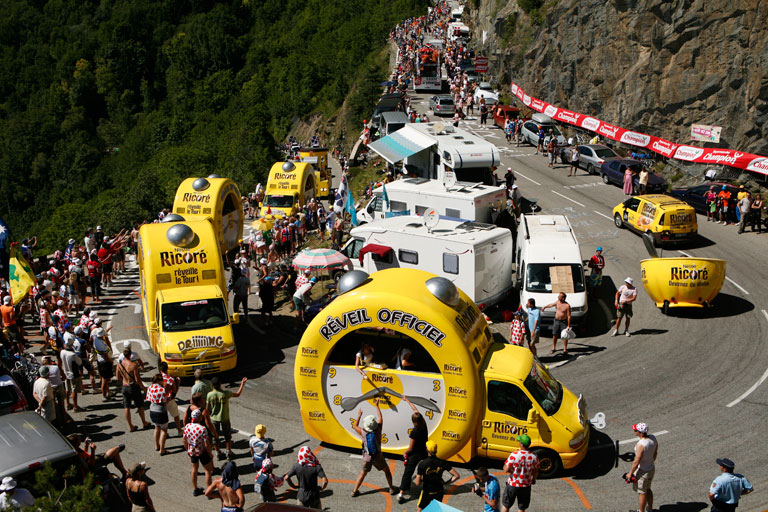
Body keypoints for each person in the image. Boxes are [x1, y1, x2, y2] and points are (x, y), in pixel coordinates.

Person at [351, 399, 397, 496]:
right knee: (387, 471)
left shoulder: (363, 432)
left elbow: (355, 426)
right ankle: (391, 488)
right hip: (377, 455)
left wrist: (359, 415)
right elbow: (380, 417)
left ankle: (355, 491)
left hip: (367, 457)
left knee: (363, 473)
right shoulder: (378, 429)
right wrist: (377, 406)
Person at [396, 397, 428, 503]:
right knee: (425, 470)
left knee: (408, 473)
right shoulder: (424, 425)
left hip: (415, 454)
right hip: (424, 452)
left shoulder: (414, 432)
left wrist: (405, 453)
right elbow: (416, 411)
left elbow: (411, 448)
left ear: (414, 422)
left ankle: (401, 493)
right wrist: (408, 400)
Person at [207, 376, 247, 460]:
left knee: (215, 436)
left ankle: (218, 453)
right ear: (220, 384)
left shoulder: (209, 395)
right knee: (227, 435)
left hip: (214, 418)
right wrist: (242, 384)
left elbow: (207, 408)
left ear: (212, 385)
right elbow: (237, 394)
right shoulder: (226, 393)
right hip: (225, 417)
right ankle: (228, 452)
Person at [415, 440, 459, 511]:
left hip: (427, 491)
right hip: (439, 491)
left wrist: (423, 478)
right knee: (436, 509)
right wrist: (446, 483)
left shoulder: (422, 464)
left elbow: (417, 483)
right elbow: (456, 475)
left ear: (427, 450)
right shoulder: (442, 462)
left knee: (419, 508)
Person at [501, 435, 539, 512]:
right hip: (526, 485)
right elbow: (536, 470)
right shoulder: (534, 457)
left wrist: (506, 467)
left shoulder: (514, 455)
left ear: (521, 444)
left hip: (513, 484)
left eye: (519, 441)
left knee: (506, 505)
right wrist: (533, 479)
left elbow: (506, 469)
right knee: (522, 507)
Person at [116, 344, 150, 431]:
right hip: (133, 386)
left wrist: (124, 379)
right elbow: (137, 379)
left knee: (127, 406)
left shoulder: (119, 365)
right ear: (130, 355)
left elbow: (118, 378)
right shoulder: (133, 365)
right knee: (140, 405)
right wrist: (144, 388)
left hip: (124, 386)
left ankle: (130, 426)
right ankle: (144, 422)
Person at [626, 422, 658, 512]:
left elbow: (636, 461)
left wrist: (630, 473)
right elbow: (655, 452)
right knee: (648, 488)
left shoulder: (641, 445)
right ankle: (650, 508)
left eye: (635, 430)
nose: (634, 431)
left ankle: (641, 511)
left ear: (640, 432)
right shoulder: (653, 438)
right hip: (651, 468)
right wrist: (650, 461)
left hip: (643, 471)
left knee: (642, 492)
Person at [183, 408, 215, 497]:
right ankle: (209, 491)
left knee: (194, 470)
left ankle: (195, 489)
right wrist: (210, 453)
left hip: (192, 451)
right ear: (199, 417)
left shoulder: (187, 426)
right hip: (202, 452)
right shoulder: (202, 428)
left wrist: (187, 449)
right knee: (207, 471)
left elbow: (184, 440)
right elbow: (206, 443)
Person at [146, 374, 169, 455]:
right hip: (161, 411)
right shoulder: (162, 390)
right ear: (159, 381)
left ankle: (156, 445)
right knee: (164, 430)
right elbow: (165, 401)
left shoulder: (150, 387)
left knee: (156, 427)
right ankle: (162, 449)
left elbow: (149, 398)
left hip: (152, 410)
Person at [59, 336, 83, 412]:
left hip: (66, 373)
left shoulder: (62, 352)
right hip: (73, 374)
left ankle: (68, 404)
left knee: (67, 389)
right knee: (74, 390)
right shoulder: (73, 354)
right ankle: (75, 406)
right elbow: (80, 362)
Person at [159, 361, 182, 435]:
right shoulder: (170, 379)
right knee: (176, 415)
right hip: (169, 399)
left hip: (159, 400)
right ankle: (179, 430)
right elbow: (174, 392)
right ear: (167, 369)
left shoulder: (157, 378)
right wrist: (178, 383)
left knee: (162, 418)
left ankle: (164, 433)